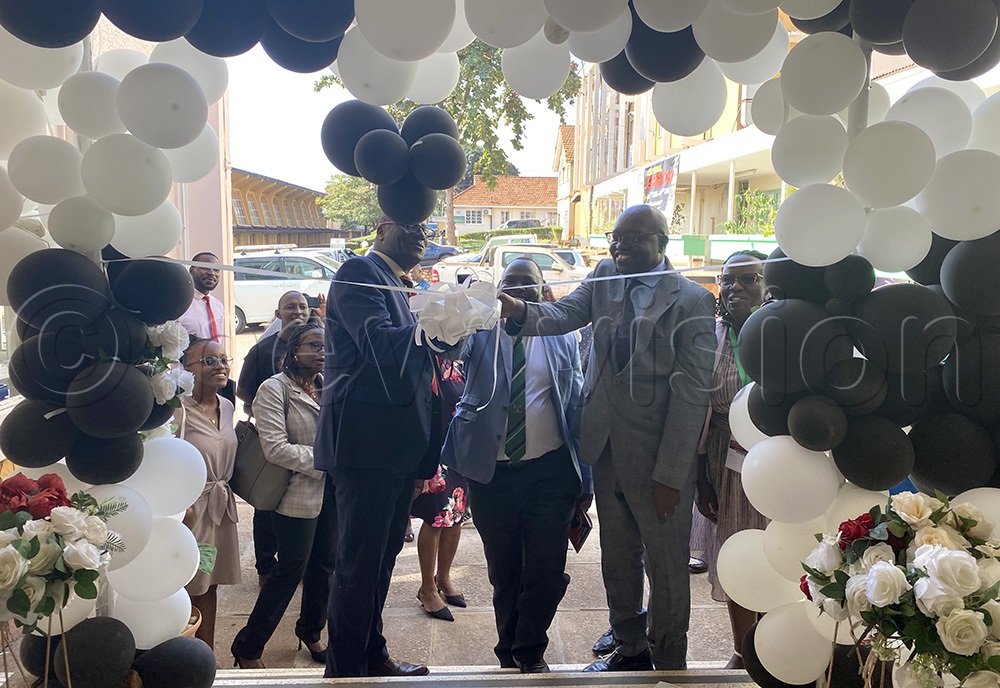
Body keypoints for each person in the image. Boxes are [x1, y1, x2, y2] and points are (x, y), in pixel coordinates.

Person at [498, 205, 716, 671]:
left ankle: (669, 661)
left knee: (667, 567)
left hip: (660, 459)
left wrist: (672, 475)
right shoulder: (603, 276)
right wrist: (516, 309)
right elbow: (562, 315)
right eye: (615, 238)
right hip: (605, 449)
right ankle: (630, 647)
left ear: (661, 241)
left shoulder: (693, 300)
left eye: (633, 238)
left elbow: (692, 394)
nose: (620, 246)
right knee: (617, 558)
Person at [315, 219, 455, 679]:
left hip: (397, 450)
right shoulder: (358, 273)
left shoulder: (400, 284)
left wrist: (453, 324)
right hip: (366, 448)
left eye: (425, 225)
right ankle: (346, 672)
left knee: (381, 562)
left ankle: (372, 656)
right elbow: (381, 345)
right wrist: (438, 320)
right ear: (380, 227)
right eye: (408, 223)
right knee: (358, 568)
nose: (420, 232)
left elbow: (419, 367)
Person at [444, 258, 588, 673]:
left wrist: (587, 478)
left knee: (546, 572)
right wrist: (458, 311)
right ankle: (510, 651)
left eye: (529, 284)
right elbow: (452, 347)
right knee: (504, 571)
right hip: (492, 475)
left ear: (544, 292)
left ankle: (529, 649)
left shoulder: (563, 335)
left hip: (551, 472)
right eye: (511, 283)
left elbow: (575, 403)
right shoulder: (480, 330)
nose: (519, 291)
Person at [231, 324, 337, 669]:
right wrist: (325, 462)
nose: (322, 351)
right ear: (293, 350)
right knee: (291, 569)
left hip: (333, 493)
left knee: (325, 565)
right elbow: (275, 448)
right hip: (295, 494)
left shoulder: (327, 385)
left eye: (326, 346)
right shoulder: (274, 389)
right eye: (314, 345)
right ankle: (247, 646)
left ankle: (310, 631)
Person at [695, 250, 770, 670]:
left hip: (784, 464)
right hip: (727, 464)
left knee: (780, 556)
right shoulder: (708, 335)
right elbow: (699, 410)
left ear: (767, 284)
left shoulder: (785, 333)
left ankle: (778, 640)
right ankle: (745, 652)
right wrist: (702, 481)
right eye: (728, 280)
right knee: (737, 554)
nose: (735, 288)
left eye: (748, 279)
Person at [236, 291, 311, 587]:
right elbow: (242, 390)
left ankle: (300, 563)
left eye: (302, 307)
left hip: (307, 445)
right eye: (290, 307)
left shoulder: (319, 346)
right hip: (273, 445)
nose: (297, 311)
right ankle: (265, 566)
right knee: (266, 504)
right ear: (278, 313)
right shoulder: (263, 349)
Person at [176, 336, 241, 651]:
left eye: (224, 359)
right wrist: (178, 506)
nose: (220, 366)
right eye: (209, 360)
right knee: (188, 584)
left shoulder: (227, 406)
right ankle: (184, 655)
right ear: (187, 369)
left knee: (210, 583)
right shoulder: (177, 412)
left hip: (219, 510)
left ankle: (207, 654)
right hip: (191, 512)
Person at [410, 357, 468, 622]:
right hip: (433, 451)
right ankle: (427, 588)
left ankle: (443, 577)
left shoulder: (458, 360)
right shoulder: (421, 360)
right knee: (436, 519)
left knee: (456, 517)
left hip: (459, 450)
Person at [179, 252, 235, 403]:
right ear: (191, 271)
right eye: (205, 268)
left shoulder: (217, 305)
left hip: (216, 377)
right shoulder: (180, 304)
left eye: (216, 270)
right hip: (190, 381)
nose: (212, 273)